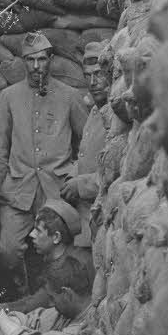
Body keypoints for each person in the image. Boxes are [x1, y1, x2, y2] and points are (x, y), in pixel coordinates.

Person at [0, 31, 89, 296]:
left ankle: (50, 300)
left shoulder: (69, 96)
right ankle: (24, 295)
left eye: (42, 60)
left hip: (56, 191)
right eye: (31, 60)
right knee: (8, 251)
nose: (37, 67)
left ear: (51, 59)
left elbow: (88, 145)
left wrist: (75, 174)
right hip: (18, 191)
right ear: (23, 61)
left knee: (59, 253)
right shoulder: (9, 97)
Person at [0, 198, 93, 314]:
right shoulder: (58, 257)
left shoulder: (71, 264)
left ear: (56, 237)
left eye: (38, 230)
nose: (32, 234)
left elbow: (37, 302)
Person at [60, 41, 113, 248]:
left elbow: (119, 173)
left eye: (98, 74)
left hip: (107, 213)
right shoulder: (94, 111)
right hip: (89, 213)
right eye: (87, 75)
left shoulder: (119, 116)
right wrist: (72, 177)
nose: (93, 82)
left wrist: (80, 185)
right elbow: (88, 155)